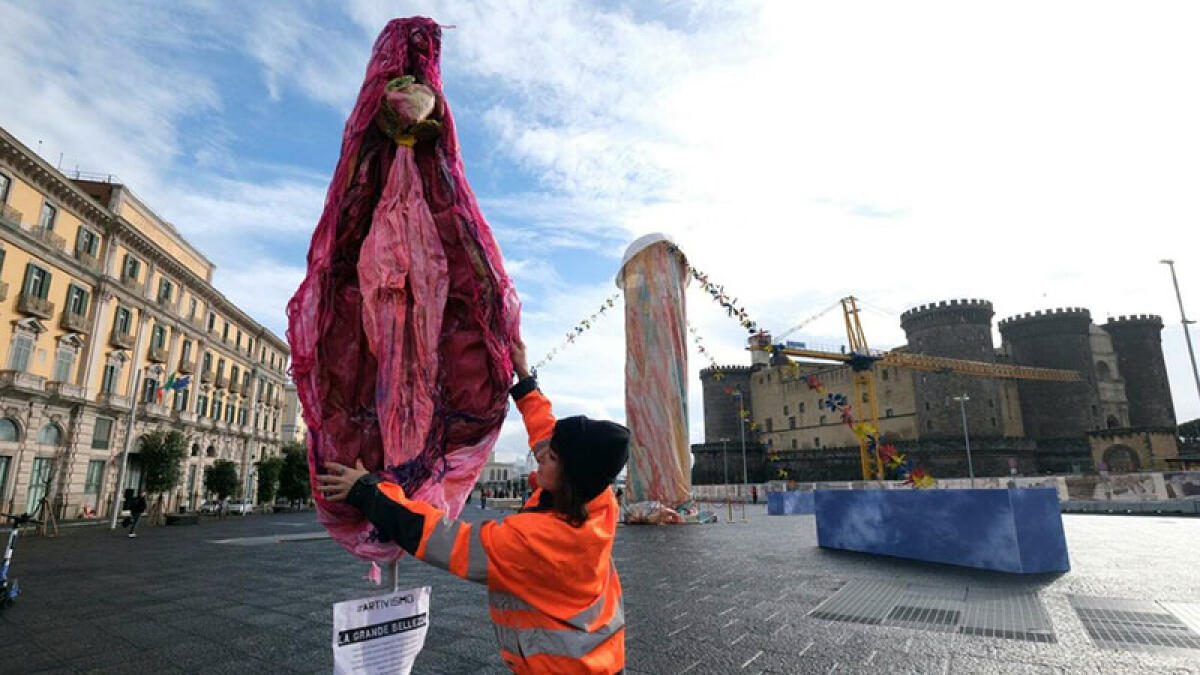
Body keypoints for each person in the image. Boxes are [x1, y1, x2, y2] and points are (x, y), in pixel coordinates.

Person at [318, 340, 629, 674]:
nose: (539, 456)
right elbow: (547, 436)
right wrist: (525, 380)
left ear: (569, 476)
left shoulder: (537, 542)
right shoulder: (598, 499)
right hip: (604, 657)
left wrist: (367, 492)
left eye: (550, 457)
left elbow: (444, 540)